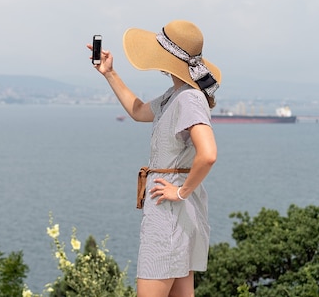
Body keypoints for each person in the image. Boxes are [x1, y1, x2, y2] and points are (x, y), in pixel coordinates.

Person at [87, 20, 221, 297]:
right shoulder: (176, 95)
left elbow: (208, 155)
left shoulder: (188, 99)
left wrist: (181, 192)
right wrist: (109, 74)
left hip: (168, 210)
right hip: (175, 209)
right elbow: (138, 111)